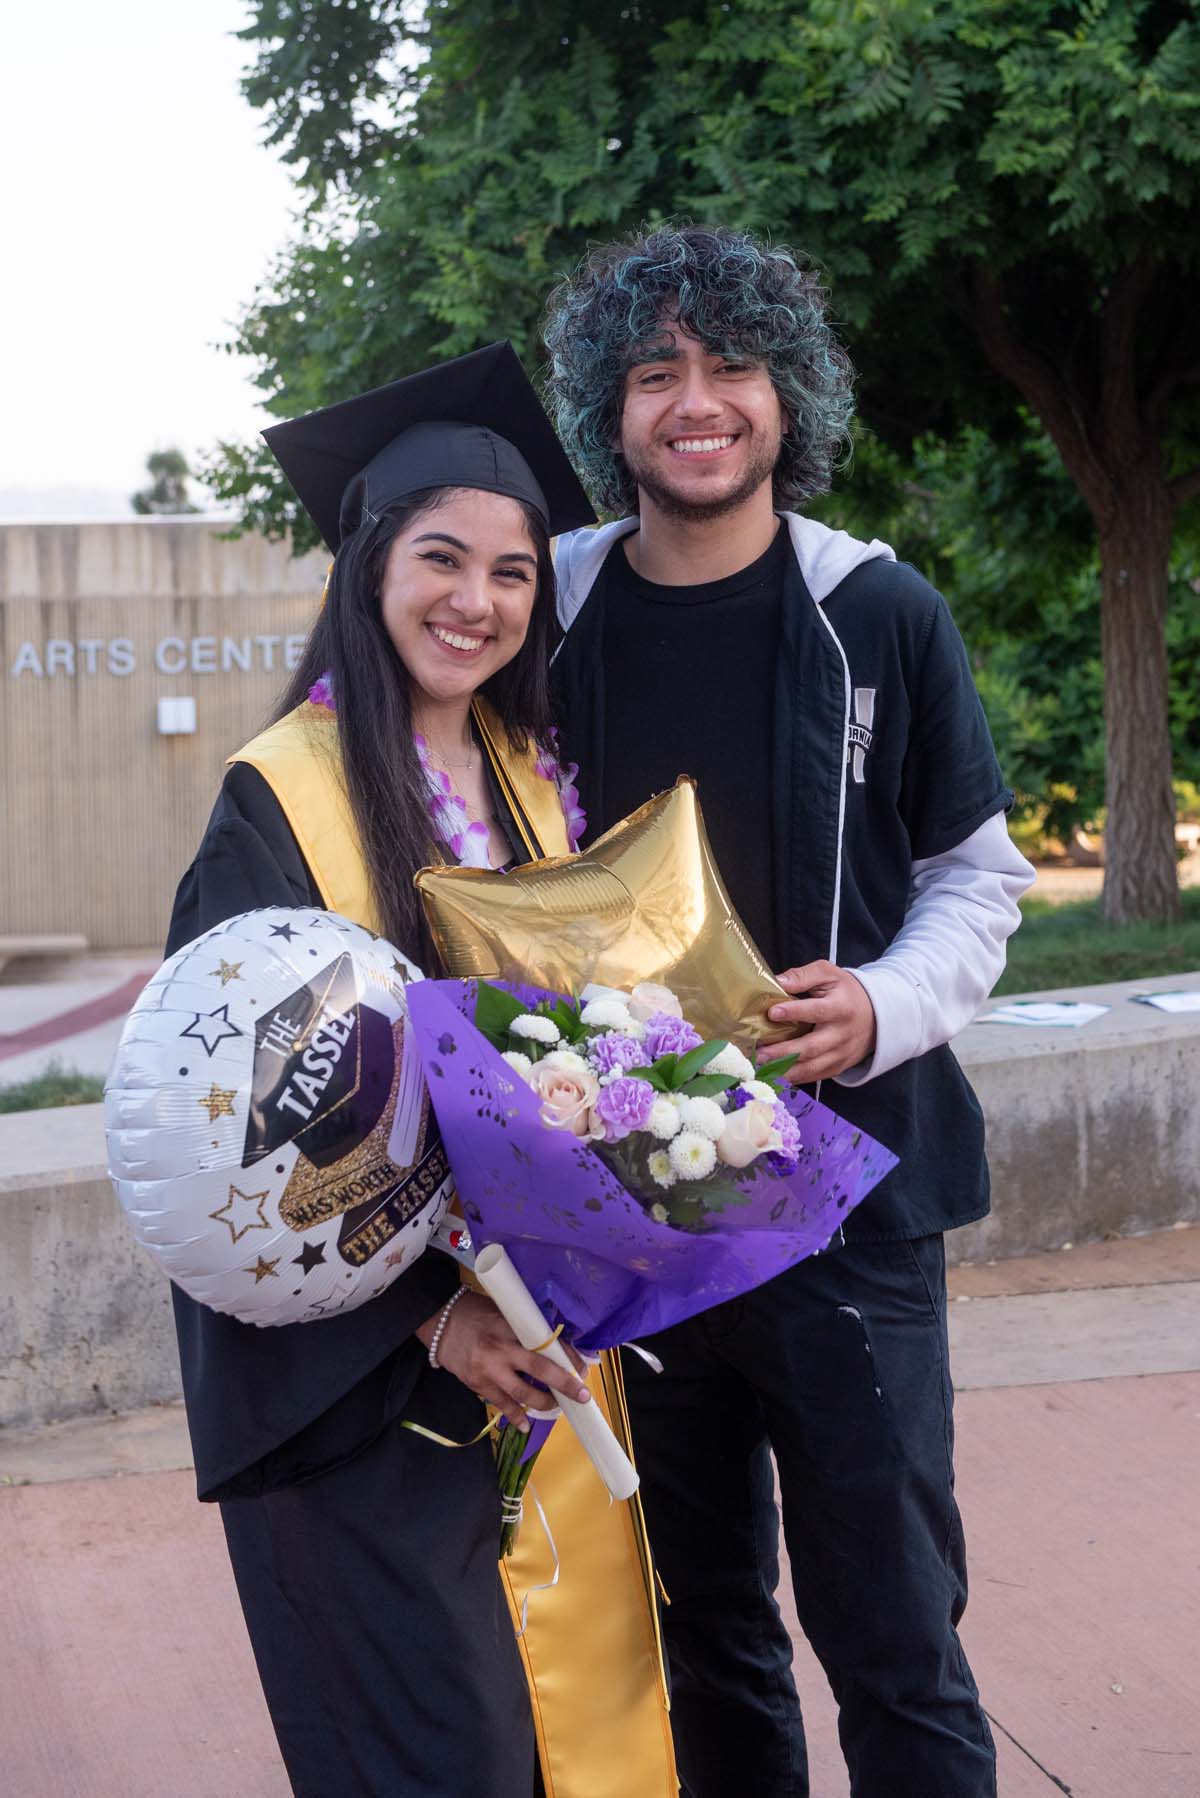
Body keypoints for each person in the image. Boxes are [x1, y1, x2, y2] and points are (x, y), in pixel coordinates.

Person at [544, 225, 1036, 1797]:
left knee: (896, 1636)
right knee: (705, 1635)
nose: (699, 401)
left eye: (733, 364)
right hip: (636, 1205)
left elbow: (979, 876)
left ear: (789, 393)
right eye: (655, 372)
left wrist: (882, 1007)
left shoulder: (878, 610)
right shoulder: (544, 610)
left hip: (856, 1202)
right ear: (608, 412)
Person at [166, 343, 675, 1798]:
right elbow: (240, 1150)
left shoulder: (527, 780)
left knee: (565, 1742)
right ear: (372, 563)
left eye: (515, 572)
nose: (479, 600)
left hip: (539, 1359)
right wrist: (433, 1323)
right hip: (371, 1397)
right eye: (444, 558)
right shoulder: (281, 800)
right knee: (447, 1754)